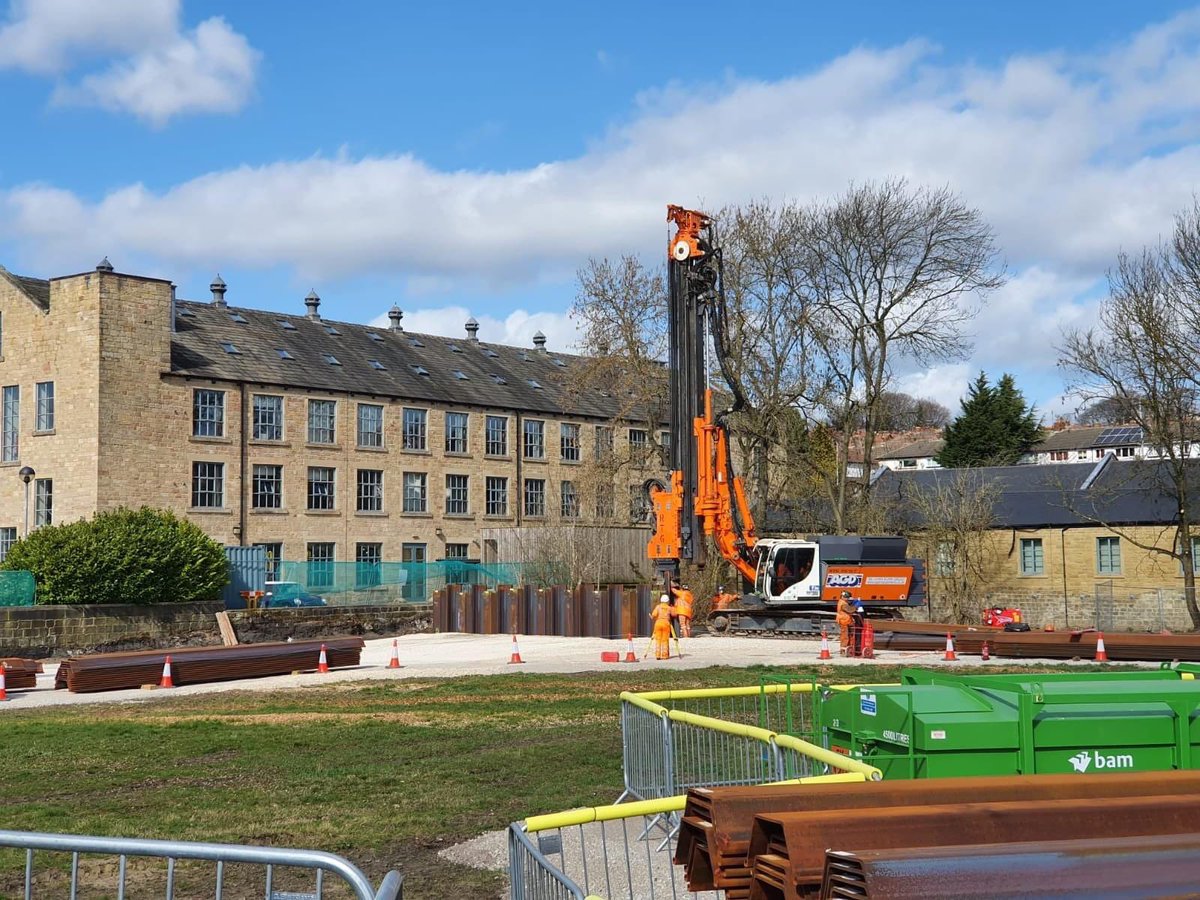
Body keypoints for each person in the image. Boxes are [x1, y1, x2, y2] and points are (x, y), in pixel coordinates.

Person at [650, 593, 676, 660]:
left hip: (658, 623)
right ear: (667, 601)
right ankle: (664, 655)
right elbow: (674, 614)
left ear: (661, 600)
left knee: (658, 639)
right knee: (665, 640)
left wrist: (651, 616)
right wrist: (673, 608)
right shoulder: (669, 608)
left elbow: (653, 615)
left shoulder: (658, 607)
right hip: (666, 623)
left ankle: (658, 655)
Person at [836, 590, 854, 656]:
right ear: (843, 597)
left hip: (845, 621)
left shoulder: (843, 602)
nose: (848, 599)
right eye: (847, 597)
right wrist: (856, 606)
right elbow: (850, 610)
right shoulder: (843, 604)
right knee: (845, 637)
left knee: (847, 636)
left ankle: (847, 650)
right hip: (843, 622)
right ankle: (843, 651)